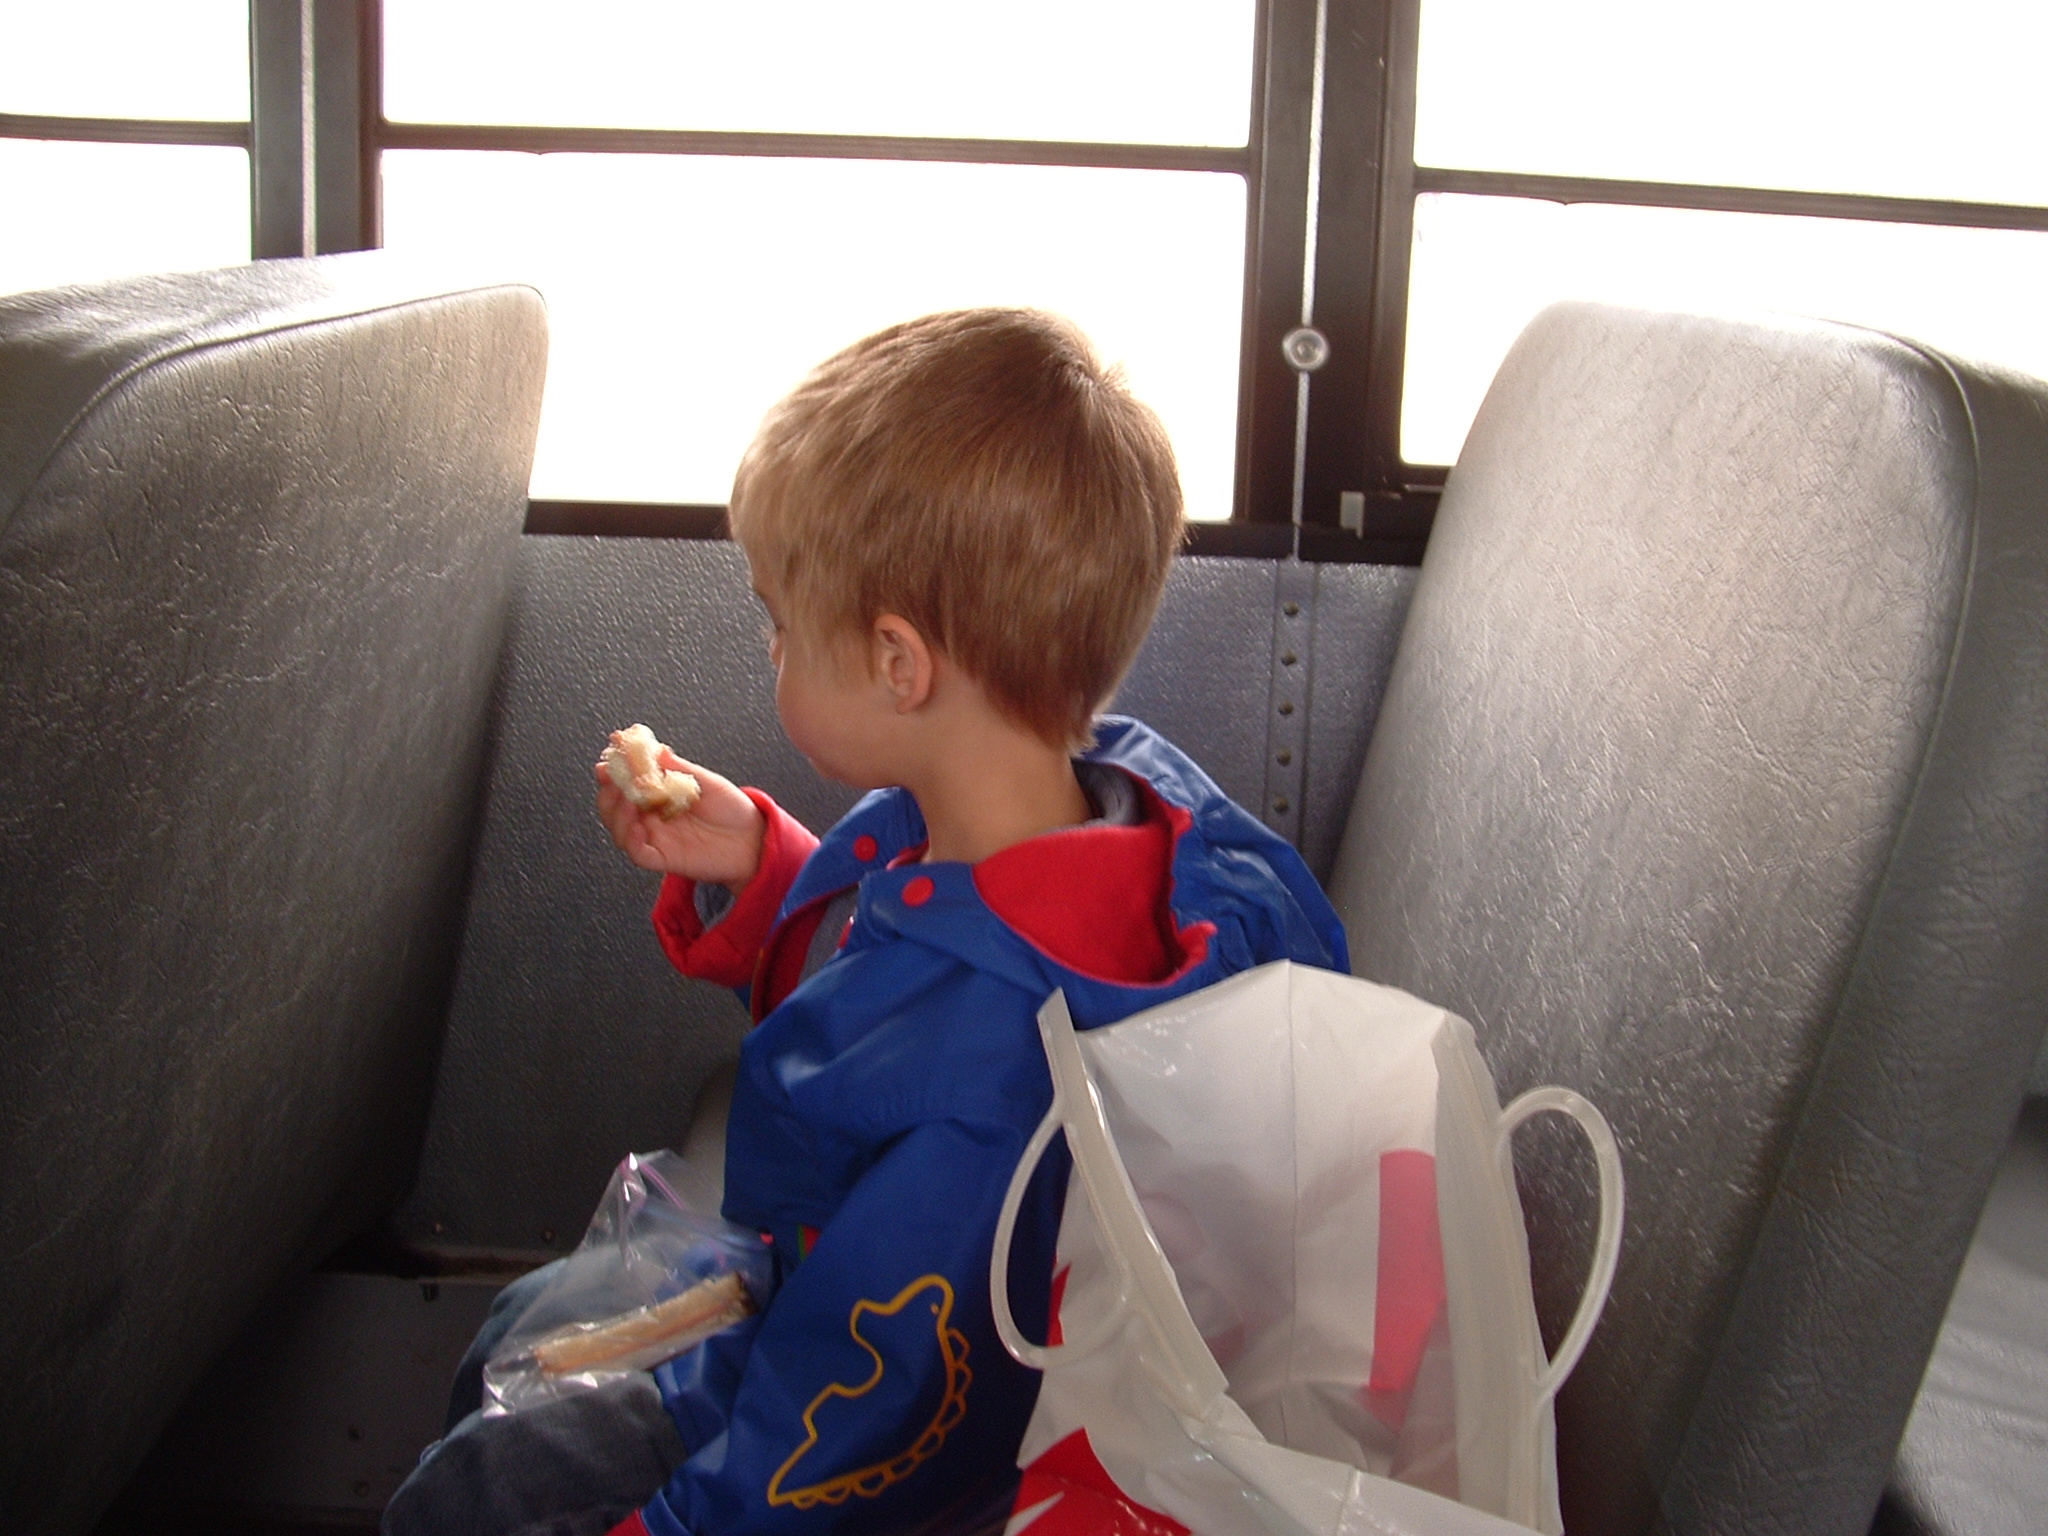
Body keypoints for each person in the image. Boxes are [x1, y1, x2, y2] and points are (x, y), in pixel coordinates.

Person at [384, 308, 1348, 1536]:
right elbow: (901, 967)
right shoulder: (1081, 803)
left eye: (781, 624)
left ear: (899, 664)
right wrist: (767, 863)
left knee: (470, 1493)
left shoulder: (989, 1084)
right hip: (820, 1288)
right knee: (522, 1334)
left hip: (847, 1416)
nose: (772, 648)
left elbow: (862, 1418)